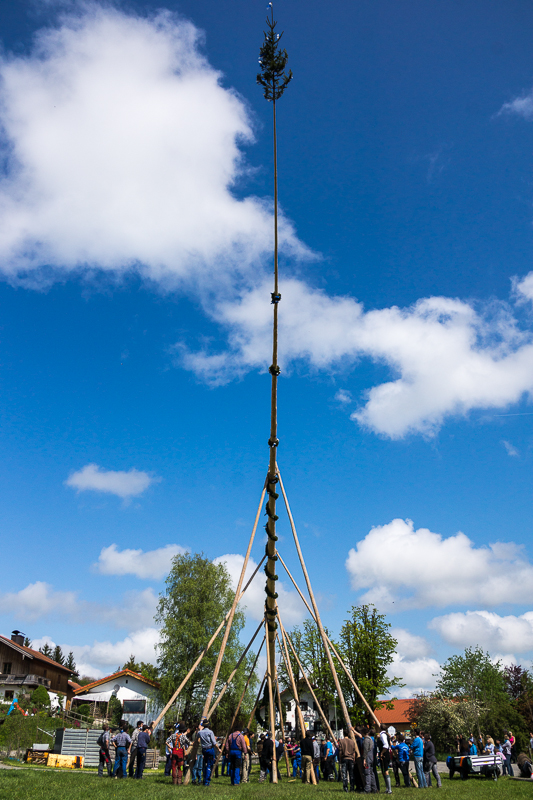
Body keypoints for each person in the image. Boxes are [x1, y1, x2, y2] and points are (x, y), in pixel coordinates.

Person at [197, 718, 218, 786]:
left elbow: (197, 738)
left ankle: (204, 779)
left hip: (204, 750)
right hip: (210, 749)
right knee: (209, 765)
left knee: (205, 765)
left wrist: (199, 729)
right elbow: (214, 742)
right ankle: (207, 781)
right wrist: (218, 748)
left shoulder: (200, 732)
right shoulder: (210, 732)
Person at [338, 729, 357, 793]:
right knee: (351, 774)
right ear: (348, 734)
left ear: (343, 734)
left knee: (344, 774)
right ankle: (352, 787)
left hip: (344, 758)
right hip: (351, 758)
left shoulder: (341, 741)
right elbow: (354, 752)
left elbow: (340, 752)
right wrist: (354, 759)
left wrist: (340, 758)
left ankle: (345, 788)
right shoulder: (352, 742)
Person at [378, 724, 393, 795]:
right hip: (386, 753)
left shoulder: (383, 735)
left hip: (384, 754)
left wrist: (381, 753)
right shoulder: (386, 735)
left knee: (386, 770)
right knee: (384, 770)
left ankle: (389, 789)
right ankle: (387, 788)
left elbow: (386, 745)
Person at [363, 727, 378, 793]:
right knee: (371, 773)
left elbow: (365, 750)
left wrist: (364, 759)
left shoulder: (366, 740)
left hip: (368, 758)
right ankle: (374, 788)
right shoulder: (371, 739)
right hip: (371, 757)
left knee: (367, 773)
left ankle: (367, 789)